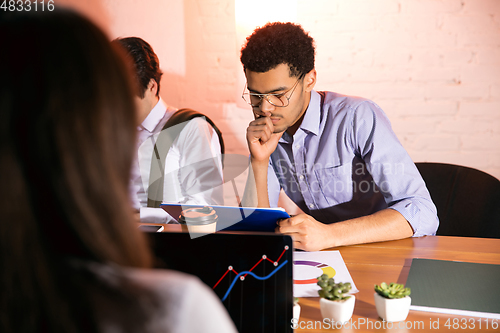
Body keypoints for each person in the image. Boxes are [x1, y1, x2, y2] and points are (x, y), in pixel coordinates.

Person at [0, 9, 236, 333]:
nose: (117, 109)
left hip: (170, 257)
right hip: (100, 251)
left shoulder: (189, 129)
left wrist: (142, 217)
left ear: (152, 86)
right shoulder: (105, 130)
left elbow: (207, 218)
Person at [241, 22, 439, 251]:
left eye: (279, 95)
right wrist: (259, 160)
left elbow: (422, 211)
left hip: (387, 252)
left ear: (310, 80)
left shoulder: (357, 117)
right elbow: (252, 231)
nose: (265, 108)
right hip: (326, 258)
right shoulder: (269, 133)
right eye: (256, 96)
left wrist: (328, 234)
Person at [113, 37, 224, 224]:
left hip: (171, 246)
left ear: (151, 86)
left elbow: (205, 209)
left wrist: (138, 217)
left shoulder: (190, 128)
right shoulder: (112, 133)